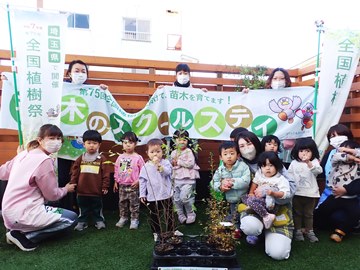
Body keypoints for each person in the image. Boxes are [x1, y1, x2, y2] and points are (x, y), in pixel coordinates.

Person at [0, 124, 77, 251]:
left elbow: (3, 173)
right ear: (40, 140)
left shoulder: (24, 153)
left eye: (59, 139)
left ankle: (16, 230)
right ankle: (26, 237)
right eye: (51, 138)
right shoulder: (44, 161)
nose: (56, 142)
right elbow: (51, 195)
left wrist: (18, 158)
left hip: (8, 212)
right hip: (25, 213)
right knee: (71, 218)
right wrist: (66, 189)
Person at [235, 130, 296, 260]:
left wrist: (271, 193)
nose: (247, 148)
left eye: (249, 143)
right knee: (250, 226)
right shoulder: (237, 163)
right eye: (242, 146)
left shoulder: (271, 161)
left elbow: (290, 189)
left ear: (257, 144)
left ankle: (270, 233)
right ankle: (258, 232)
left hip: (278, 210)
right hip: (254, 207)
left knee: (278, 253)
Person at [57, 60, 108, 210]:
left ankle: (80, 208)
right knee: (63, 176)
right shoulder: (59, 89)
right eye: (77, 70)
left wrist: (102, 91)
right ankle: (64, 206)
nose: (80, 74)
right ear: (69, 73)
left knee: (83, 174)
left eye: (83, 71)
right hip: (63, 143)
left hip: (83, 144)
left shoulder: (91, 91)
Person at [315, 139, 360, 242]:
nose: (346, 153)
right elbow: (337, 155)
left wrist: (355, 154)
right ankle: (315, 225)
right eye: (344, 151)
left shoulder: (357, 165)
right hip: (334, 196)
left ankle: (340, 232)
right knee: (322, 210)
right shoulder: (336, 160)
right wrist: (349, 155)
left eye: (350, 151)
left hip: (351, 198)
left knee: (355, 214)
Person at [70, 130, 110, 231]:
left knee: (97, 207)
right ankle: (82, 222)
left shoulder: (102, 159)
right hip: (81, 191)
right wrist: (73, 182)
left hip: (96, 191)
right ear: (84, 144)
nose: (91, 145)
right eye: (89, 143)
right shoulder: (80, 158)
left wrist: (105, 186)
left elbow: (106, 174)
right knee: (83, 207)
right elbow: (74, 172)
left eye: (94, 143)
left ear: (99, 145)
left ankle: (99, 221)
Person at [242, 151, 290, 229]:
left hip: (270, 204)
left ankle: (267, 216)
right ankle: (255, 208)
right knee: (244, 197)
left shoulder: (280, 179)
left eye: (270, 165)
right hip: (258, 200)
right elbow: (255, 182)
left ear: (277, 166)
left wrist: (273, 193)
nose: (267, 168)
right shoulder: (260, 174)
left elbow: (285, 193)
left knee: (251, 201)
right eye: (264, 166)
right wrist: (251, 192)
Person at [139, 138, 174, 241]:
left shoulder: (166, 162)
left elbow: (168, 173)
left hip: (166, 193)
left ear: (162, 152)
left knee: (169, 213)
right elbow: (142, 181)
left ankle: (171, 230)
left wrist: (159, 165)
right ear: (147, 153)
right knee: (154, 215)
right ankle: (156, 232)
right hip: (153, 196)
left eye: (158, 151)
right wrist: (142, 194)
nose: (155, 154)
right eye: (152, 152)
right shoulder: (146, 167)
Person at [288, 138, 322, 242]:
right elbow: (289, 176)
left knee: (309, 214)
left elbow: (318, 171)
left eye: (307, 151)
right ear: (296, 151)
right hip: (297, 193)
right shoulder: (293, 163)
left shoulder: (315, 162)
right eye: (301, 151)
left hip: (311, 194)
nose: (304, 154)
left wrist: (309, 163)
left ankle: (309, 231)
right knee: (297, 213)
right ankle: (298, 231)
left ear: (313, 152)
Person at [212, 141, 251, 232]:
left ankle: (238, 227)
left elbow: (246, 181)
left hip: (244, 198)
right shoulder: (220, 170)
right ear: (221, 157)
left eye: (232, 153)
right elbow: (215, 182)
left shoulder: (243, 166)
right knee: (234, 213)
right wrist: (220, 187)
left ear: (238, 155)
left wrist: (232, 183)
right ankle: (235, 228)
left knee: (242, 214)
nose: (229, 156)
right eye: (225, 154)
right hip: (229, 199)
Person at [113, 131, 144, 229]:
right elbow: (117, 169)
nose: (128, 145)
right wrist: (115, 181)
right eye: (125, 142)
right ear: (122, 143)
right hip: (122, 185)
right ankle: (123, 217)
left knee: (134, 203)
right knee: (122, 202)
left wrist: (139, 181)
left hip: (133, 185)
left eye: (130, 143)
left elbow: (143, 171)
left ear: (135, 144)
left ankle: (134, 219)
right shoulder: (120, 157)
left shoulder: (138, 158)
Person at [170, 129, 200, 224]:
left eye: (184, 140)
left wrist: (178, 162)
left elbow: (190, 164)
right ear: (175, 141)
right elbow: (172, 165)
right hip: (177, 178)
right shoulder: (173, 153)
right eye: (179, 139)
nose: (182, 142)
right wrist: (173, 163)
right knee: (177, 198)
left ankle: (190, 213)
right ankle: (180, 214)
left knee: (185, 197)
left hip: (188, 179)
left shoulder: (189, 151)